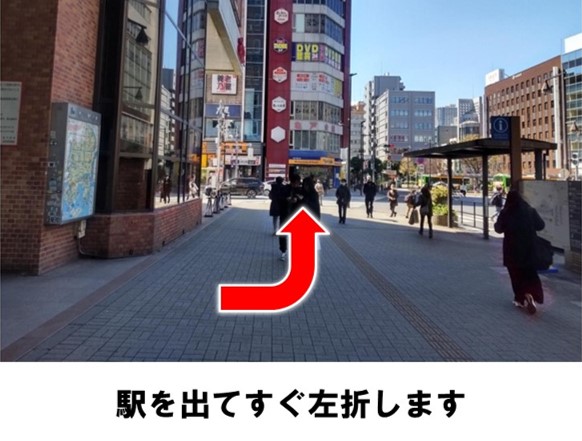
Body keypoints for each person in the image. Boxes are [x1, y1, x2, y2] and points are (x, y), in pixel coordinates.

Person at [494, 190, 545, 314]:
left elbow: (498, 229)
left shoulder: (506, 212)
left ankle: (521, 298)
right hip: (529, 249)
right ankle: (533, 294)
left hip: (512, 250)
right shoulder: (530, 211)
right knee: (530, 273)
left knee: (516, 275)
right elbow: (540, 225)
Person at [278, 174, 303, 261]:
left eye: (298, 183)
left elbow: (304, 201)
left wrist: (298, 199)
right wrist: (286, 199)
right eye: (295, 183)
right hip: (285, 214)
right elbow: (279, 198)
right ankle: (283, 250)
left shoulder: (300, 190)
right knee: (283, 233)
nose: (297, 184)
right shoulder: (285, 189)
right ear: (292, 182)